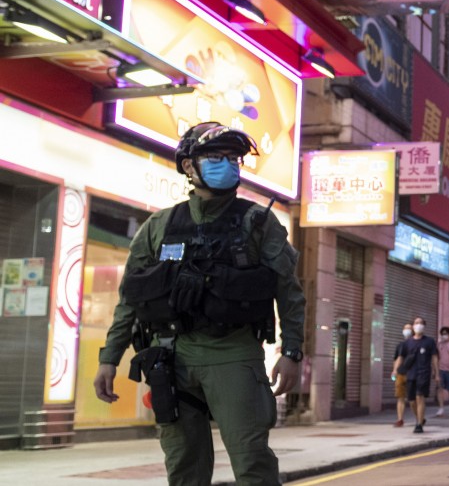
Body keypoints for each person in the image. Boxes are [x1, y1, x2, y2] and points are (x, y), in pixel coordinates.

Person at [93, 122, 305, 486]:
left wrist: (293, 351)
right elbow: (131, 298)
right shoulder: (159, 225)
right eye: (216, 157)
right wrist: (109, 358)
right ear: (189, 165)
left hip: (233, 355)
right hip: (169, 359)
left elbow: (289, 291)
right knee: (183, 467)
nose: (229, 164)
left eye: (234, 157)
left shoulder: (258, 222)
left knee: (252, 463)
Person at [392, 317, 439, 434]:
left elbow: (434, 357)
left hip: (424, 373)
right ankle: (420, 418)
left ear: (424, 326)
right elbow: (400, 357)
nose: (419, 325)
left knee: (420, 397)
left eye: (421, 323)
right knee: (412, 400)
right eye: (416, 323)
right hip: (410, 374)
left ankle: (418, 425)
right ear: (413, 326)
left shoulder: (429, 341)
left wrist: (436, 372)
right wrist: (395, 370)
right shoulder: (407, 343)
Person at [393, 325, 412, 426]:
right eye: (405, 328)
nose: (407, 330)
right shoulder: (400, 345)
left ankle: (419, 418)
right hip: (401, 373)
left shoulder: (416, 344)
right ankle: (400, 419)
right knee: (400, 397)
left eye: (409, 328)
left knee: (414, 398)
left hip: (412, 373)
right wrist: (394, 370)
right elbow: (397, 358)